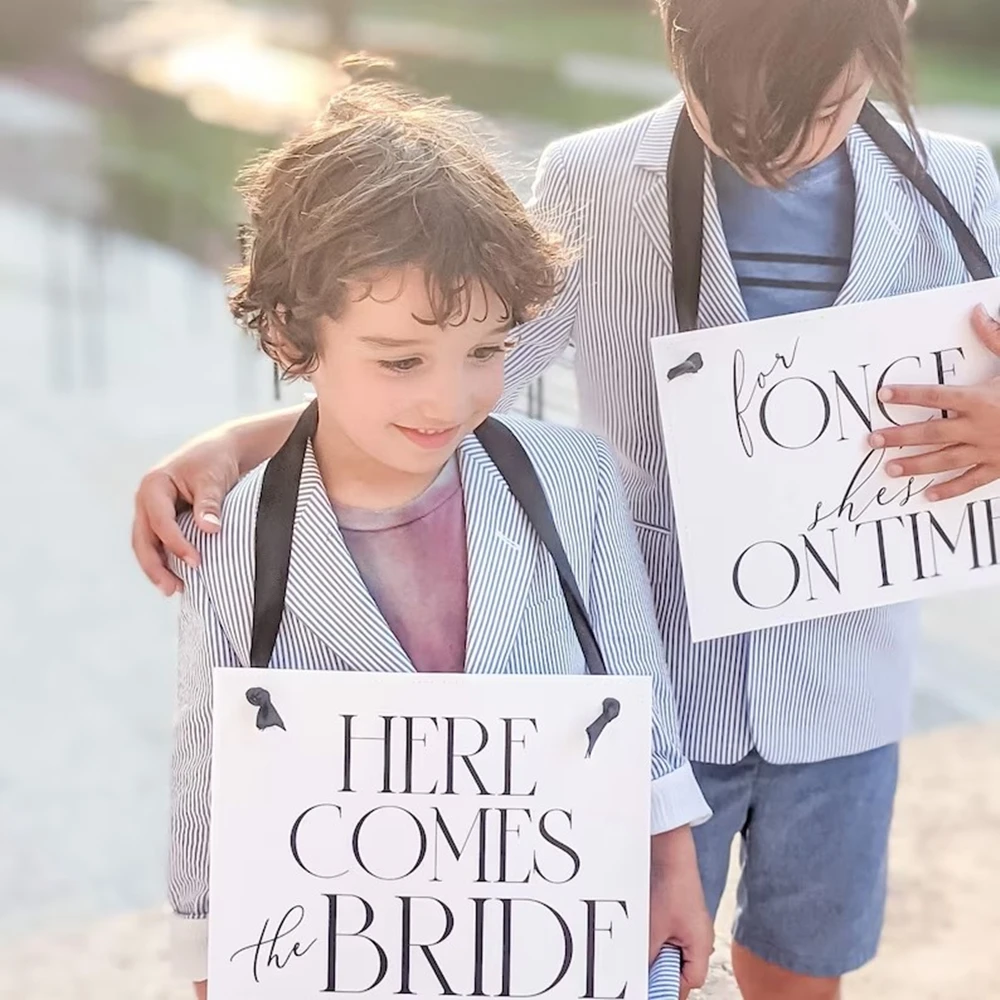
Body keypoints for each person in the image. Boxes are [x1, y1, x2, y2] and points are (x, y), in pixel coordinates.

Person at [138, 3, 1000, 998]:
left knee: (807, 963)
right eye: (739, 114)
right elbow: (456, 376)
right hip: (660, 671)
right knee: (643, 957)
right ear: (671, 23)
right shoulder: (591, 180)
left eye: (824, 108)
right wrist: (236, 443)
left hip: (850, 676)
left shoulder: (959, 181)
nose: (782, 146)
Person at [166, 74, 713, 1000]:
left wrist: (673, 871)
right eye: (401, 360)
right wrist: (207, 956)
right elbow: (208, 765)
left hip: (548, 938)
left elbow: (637, 690)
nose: (448, 399)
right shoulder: (237, 532)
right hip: (347, 953)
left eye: (486, 352)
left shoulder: (573, 479)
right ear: (295, 341)